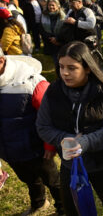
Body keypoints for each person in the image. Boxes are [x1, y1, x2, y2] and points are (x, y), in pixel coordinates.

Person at [36, 41, 103, 216]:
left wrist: (85, 142)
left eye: (72, 68)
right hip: (69, 164)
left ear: (88, 68)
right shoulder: (53, 91)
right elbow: (43, 126)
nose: (65, 73)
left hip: (102, 161)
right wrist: (65, 139)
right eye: (61, 67)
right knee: (71, 204)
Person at [0, 48, 63, 215]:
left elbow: (51, 117)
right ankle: (39, 202)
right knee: (28, 179)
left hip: (36, 149)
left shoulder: (31, 81)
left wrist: (50, 147)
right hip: (9, 149)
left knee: (53, 180)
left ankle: (64, 208)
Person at [40, 0, 65, 64]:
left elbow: (64, 30)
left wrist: (57, 38)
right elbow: (41, 29)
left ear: (57, 6)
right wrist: (50, 38)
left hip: (60, 41)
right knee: (54, 59)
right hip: (49, 40)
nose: (51, 7)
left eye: (53, 5)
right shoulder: (43, 15)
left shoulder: (62, 16)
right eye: (49, 5)